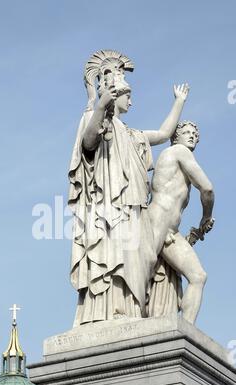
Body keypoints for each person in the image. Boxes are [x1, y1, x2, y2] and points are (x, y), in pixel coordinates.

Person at [69, 50, 189, 327]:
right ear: (115, 96)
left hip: (135, 207)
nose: (132, 100)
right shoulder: (97, 120)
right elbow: (87, 143)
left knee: (133, 260)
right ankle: (106, 312)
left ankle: (131, 310)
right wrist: (100, 105)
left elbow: (163, 134)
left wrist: (179, 103)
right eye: (128, 95)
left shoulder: (133, 135)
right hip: (108, 209)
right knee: (111, 256)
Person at [148, 121, 214, 324]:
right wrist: (206, 216)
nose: (192, 136)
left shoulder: (177, 158)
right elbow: (207, 189)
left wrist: (197, 232)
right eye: (186, 132)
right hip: (156, 221)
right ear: (175, 137)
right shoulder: (179, 151)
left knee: (198, 276)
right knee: (141, 276)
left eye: (195, 133)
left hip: (171, 230)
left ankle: (185, 332)